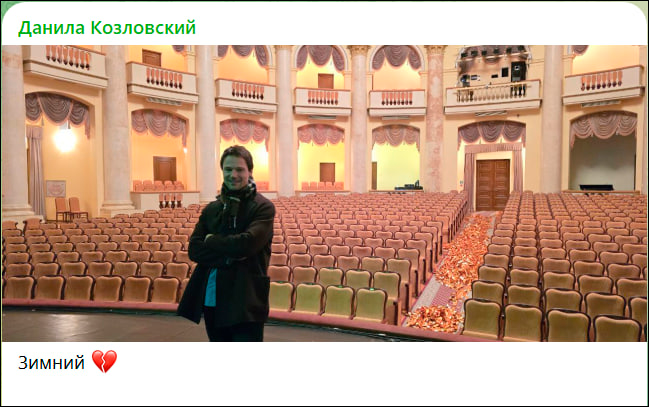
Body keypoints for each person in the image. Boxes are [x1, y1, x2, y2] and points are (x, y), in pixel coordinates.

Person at [178, 145, 275, 341]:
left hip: (245, 298)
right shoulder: (212, 209)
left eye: (239, 169)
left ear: (250, 171)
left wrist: (211, 240)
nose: (233, 175)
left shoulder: (263, 207)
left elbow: (246, 245)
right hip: (213, 296)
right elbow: (195, 250)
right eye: (228, 169)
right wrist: (230, 257)